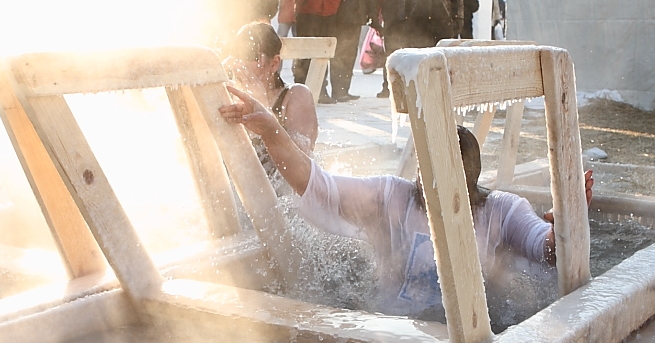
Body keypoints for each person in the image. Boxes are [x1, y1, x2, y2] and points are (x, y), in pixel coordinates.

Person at [220, 86, 592, 320]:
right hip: (391, 329)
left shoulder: (502, 211)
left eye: (442, 174)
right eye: (424, 169)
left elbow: (545, 249)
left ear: (468, 178)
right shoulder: (391, 197)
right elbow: (318, 186)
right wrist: (271, 130)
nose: (428, 182)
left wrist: (566, 221)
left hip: (475, 341)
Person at [221, 22, 317, 177]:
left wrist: (263, 109)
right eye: (236, 54)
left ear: (274, 64)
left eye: (249, 55)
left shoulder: (296, 95)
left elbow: (302, 169)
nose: (239, 63)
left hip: (279, 188)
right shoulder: (226, 94)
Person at [373, 0, 411, 99]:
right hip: (391, 20)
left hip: (411, 21)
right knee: (391, 55)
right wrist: (375, 19)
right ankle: (388, 87)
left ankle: (408, 88)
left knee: (409, 56)